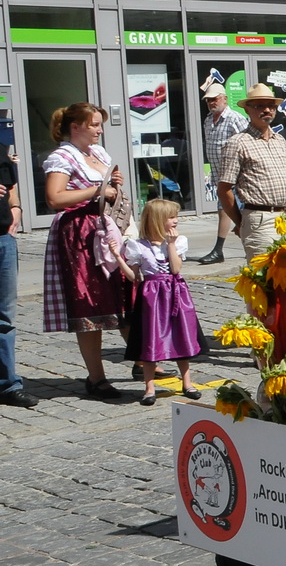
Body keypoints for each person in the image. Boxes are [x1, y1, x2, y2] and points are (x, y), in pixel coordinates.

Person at [41, 102, 130, 397]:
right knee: (90, 303)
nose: (99, 130)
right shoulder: (62, 157)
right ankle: (96, 377)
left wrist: (114, 185)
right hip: (79, 236)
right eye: (93, 124)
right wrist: (97, 190)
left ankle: (144, 362)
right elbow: (54, 198)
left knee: (124, 296)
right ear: (75, 127)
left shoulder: (98, 153)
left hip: (106, 231)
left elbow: (108, 189)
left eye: (99, 124)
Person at [116, 199, 206, 407]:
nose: (176, 221)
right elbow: (134, 276)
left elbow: (175, 269)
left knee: (180, 336)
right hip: (152, 299)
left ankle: (187, 382)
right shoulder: (138, 246)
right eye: (171, 217)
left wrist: (171, 245)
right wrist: (117, 258)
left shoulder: (177, 242)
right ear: (157, 220)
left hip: (176, 295)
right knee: (151, 340)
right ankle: (149, 387)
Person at [216, 85, 286, 260]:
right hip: (260, 219)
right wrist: (241, 222)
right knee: (265, 277)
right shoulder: (237, 142)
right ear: (247, 109)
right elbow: (224, 189)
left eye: (271, 106)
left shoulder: (280, 140)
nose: (267, 110)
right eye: (259, 106)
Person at [193, 84, 247, 264]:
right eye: (208, 100)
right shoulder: (208, 119)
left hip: (236, 174)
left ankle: (220, 249)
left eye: (214, 99)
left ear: (224, 98)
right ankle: (244, 247)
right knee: (229, 211)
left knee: (231, 210)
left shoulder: (235, 118)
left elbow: (247, 144)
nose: (210, 102)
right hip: (219, 174)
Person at [0, 148, 28, 407]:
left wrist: (16, 207)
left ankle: (8, 384)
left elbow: (10, 186)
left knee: (5, 317)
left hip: (3, 239)